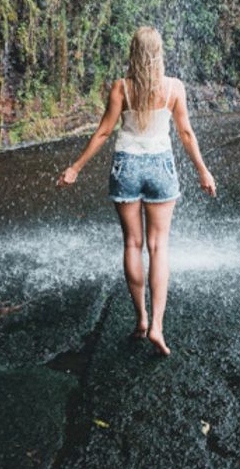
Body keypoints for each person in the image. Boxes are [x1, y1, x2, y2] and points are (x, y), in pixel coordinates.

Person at [56, 26, 217, 356]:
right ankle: (158, 325)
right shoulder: (174, 87)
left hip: (126, 166)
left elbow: (102, 133)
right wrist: (203, 170)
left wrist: (75, 168)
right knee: (159, 247)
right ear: (159, 52)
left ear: (133, 52)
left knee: (133, 243)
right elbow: (186, 132)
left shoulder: (121, 88)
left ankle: (141, 320)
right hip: (160, 167)